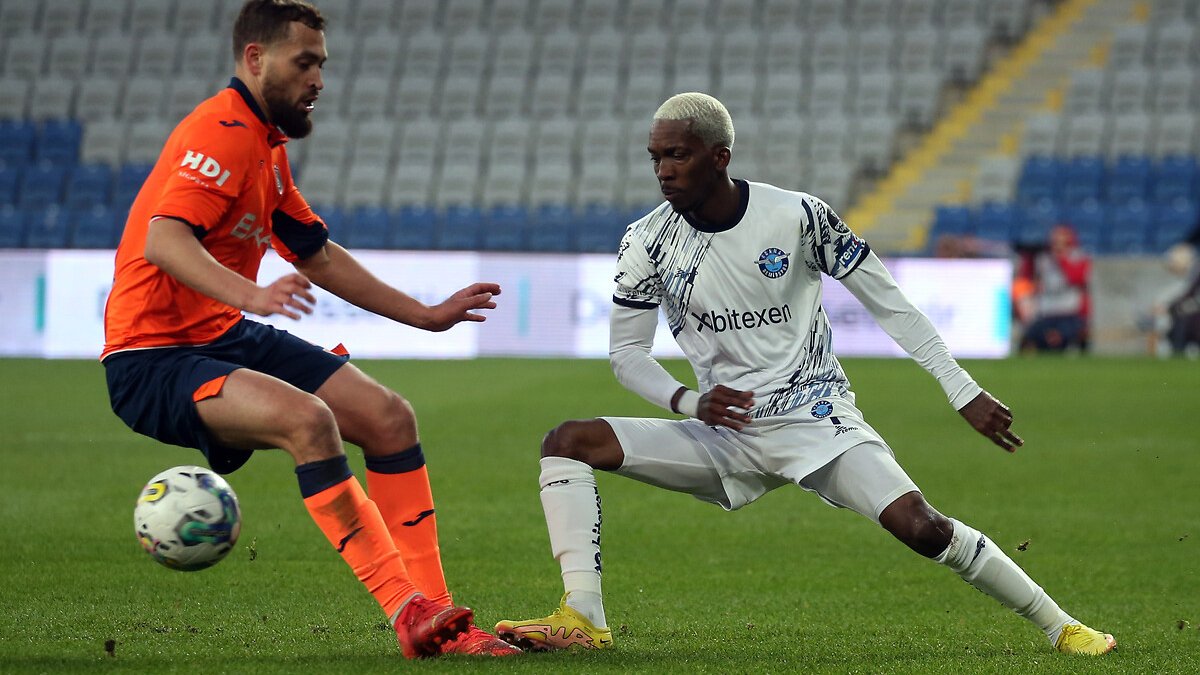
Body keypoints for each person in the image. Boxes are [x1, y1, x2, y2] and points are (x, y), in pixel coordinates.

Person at [494, 93, 1115, 656]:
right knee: (568, 442)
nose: (663, 170)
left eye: (677, 155)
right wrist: (689, 400)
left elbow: (888, 302)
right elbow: (627, 355)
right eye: (655, 157)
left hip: (817, 418)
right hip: (723, 429)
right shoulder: (647, 243)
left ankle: (1063, 627)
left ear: (720, 157)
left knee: (922, 530)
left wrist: (962, 388)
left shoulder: (798, 218)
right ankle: (582, 617)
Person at [101, 0, 518, 658]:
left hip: (221, 335)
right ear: (255, 59)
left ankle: (442, 615)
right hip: (152, 358)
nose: (318, 78)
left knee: (389, 417)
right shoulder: (221, 131)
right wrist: (253, 294)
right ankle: (406, 610)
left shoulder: (266, 148)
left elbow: (314, 252)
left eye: (321, 64)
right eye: (304, 62)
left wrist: (426, 314)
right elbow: (164, 239)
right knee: (310, 421)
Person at [1015, 224, 1091, 353]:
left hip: (1068, 312)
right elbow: (1027, 277)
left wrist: (1061, 258)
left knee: (1059, 340)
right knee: (1029, 337)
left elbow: (1076, 278)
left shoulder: (1078, 257)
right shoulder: (1043, 258)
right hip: (1046, 312)